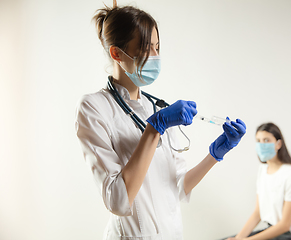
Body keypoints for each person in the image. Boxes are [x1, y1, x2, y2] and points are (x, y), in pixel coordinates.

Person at [75, 2, 246, 240]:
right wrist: (153, 129)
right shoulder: (94, 108)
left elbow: (178, 187)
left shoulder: (157, 108)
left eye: (157, 47)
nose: (155, 56)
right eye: (146, 48)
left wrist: (216, 153)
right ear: (116, 53)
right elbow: (117, 200)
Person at [227, 123, 291, 240]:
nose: (262, 145)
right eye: (258, 140)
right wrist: (238, 238)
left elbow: (284, 225)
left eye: (266, 140)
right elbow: (257, 213)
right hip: (274, 230)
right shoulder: (263, 170)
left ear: (278, 144)